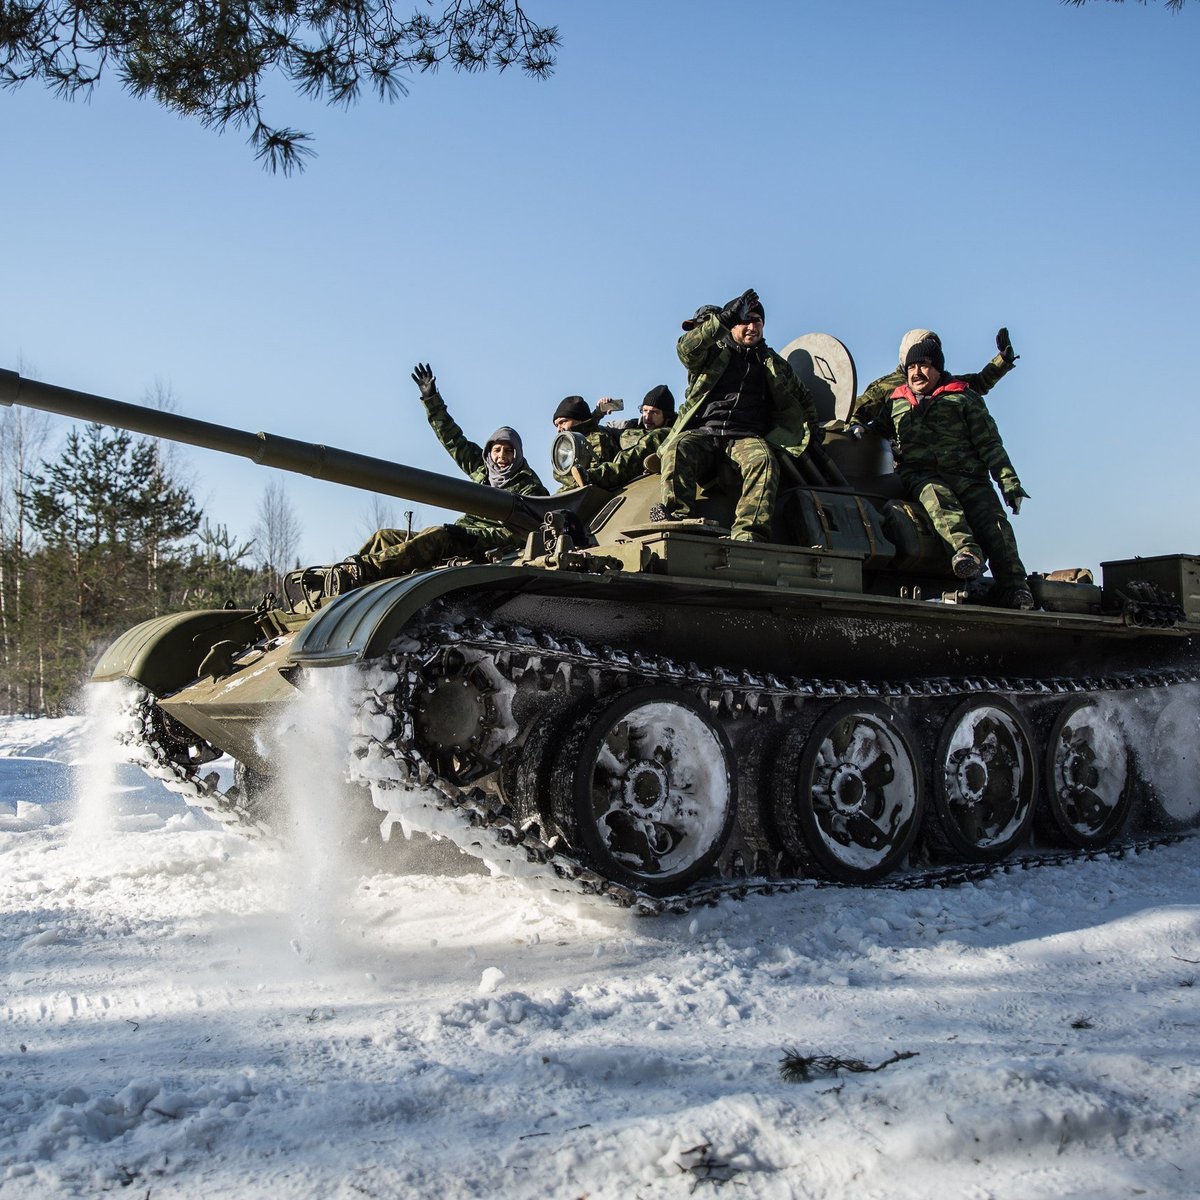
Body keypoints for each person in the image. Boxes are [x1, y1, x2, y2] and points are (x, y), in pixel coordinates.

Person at [302, 363, 547, 597]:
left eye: (508, 451)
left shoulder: (528, 486)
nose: (501, 457)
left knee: (439, 534)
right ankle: (342, 581)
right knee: (384, 537)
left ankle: (362, 571)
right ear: (489, 452)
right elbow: (453, 440)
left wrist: (471, 535)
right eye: (497, 450)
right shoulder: (482, 471)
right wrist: (432, 401)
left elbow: (523, 533)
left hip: (483, 543)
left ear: (517, 454)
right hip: (461, 533)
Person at [871, 337, 1033, 610]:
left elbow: (990, 444)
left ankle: (1016, 588)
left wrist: (1009, 483)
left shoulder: (962, 398)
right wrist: (857, 427)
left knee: (995, 526)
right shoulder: (897, 402)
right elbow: (879, 427)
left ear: (938, 369)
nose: (917, 373)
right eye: (912, 367)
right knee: (939, 501)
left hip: (969, 477)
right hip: (922, 476)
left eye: (924, 366)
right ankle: (966, 553)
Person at [653, 288, 820, 542]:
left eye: (757, 321)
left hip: (745, 436)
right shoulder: (713, 354)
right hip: (705, 432)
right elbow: (686, 350)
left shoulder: (773, 364)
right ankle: (676, 518)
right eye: (744, 321)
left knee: (763, 460)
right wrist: (722, 320)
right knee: (678, 450)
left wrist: (814, 433)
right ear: (732, 324)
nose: (751, 327)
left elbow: (803, 398)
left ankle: (749, 533)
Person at [849, 327, 1018, 424]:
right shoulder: (889, 388)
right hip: (902, 466)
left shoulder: (942, 384)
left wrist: (1002, 360)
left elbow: (979, 383)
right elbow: (853, 412)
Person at [550, 395, 621, 489]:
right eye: (556, 425)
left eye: (563, 422)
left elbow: (597, 470)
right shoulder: (566, 446)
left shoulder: (597, 437)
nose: (559, 429)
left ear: (578, 419)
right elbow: (559, 473)